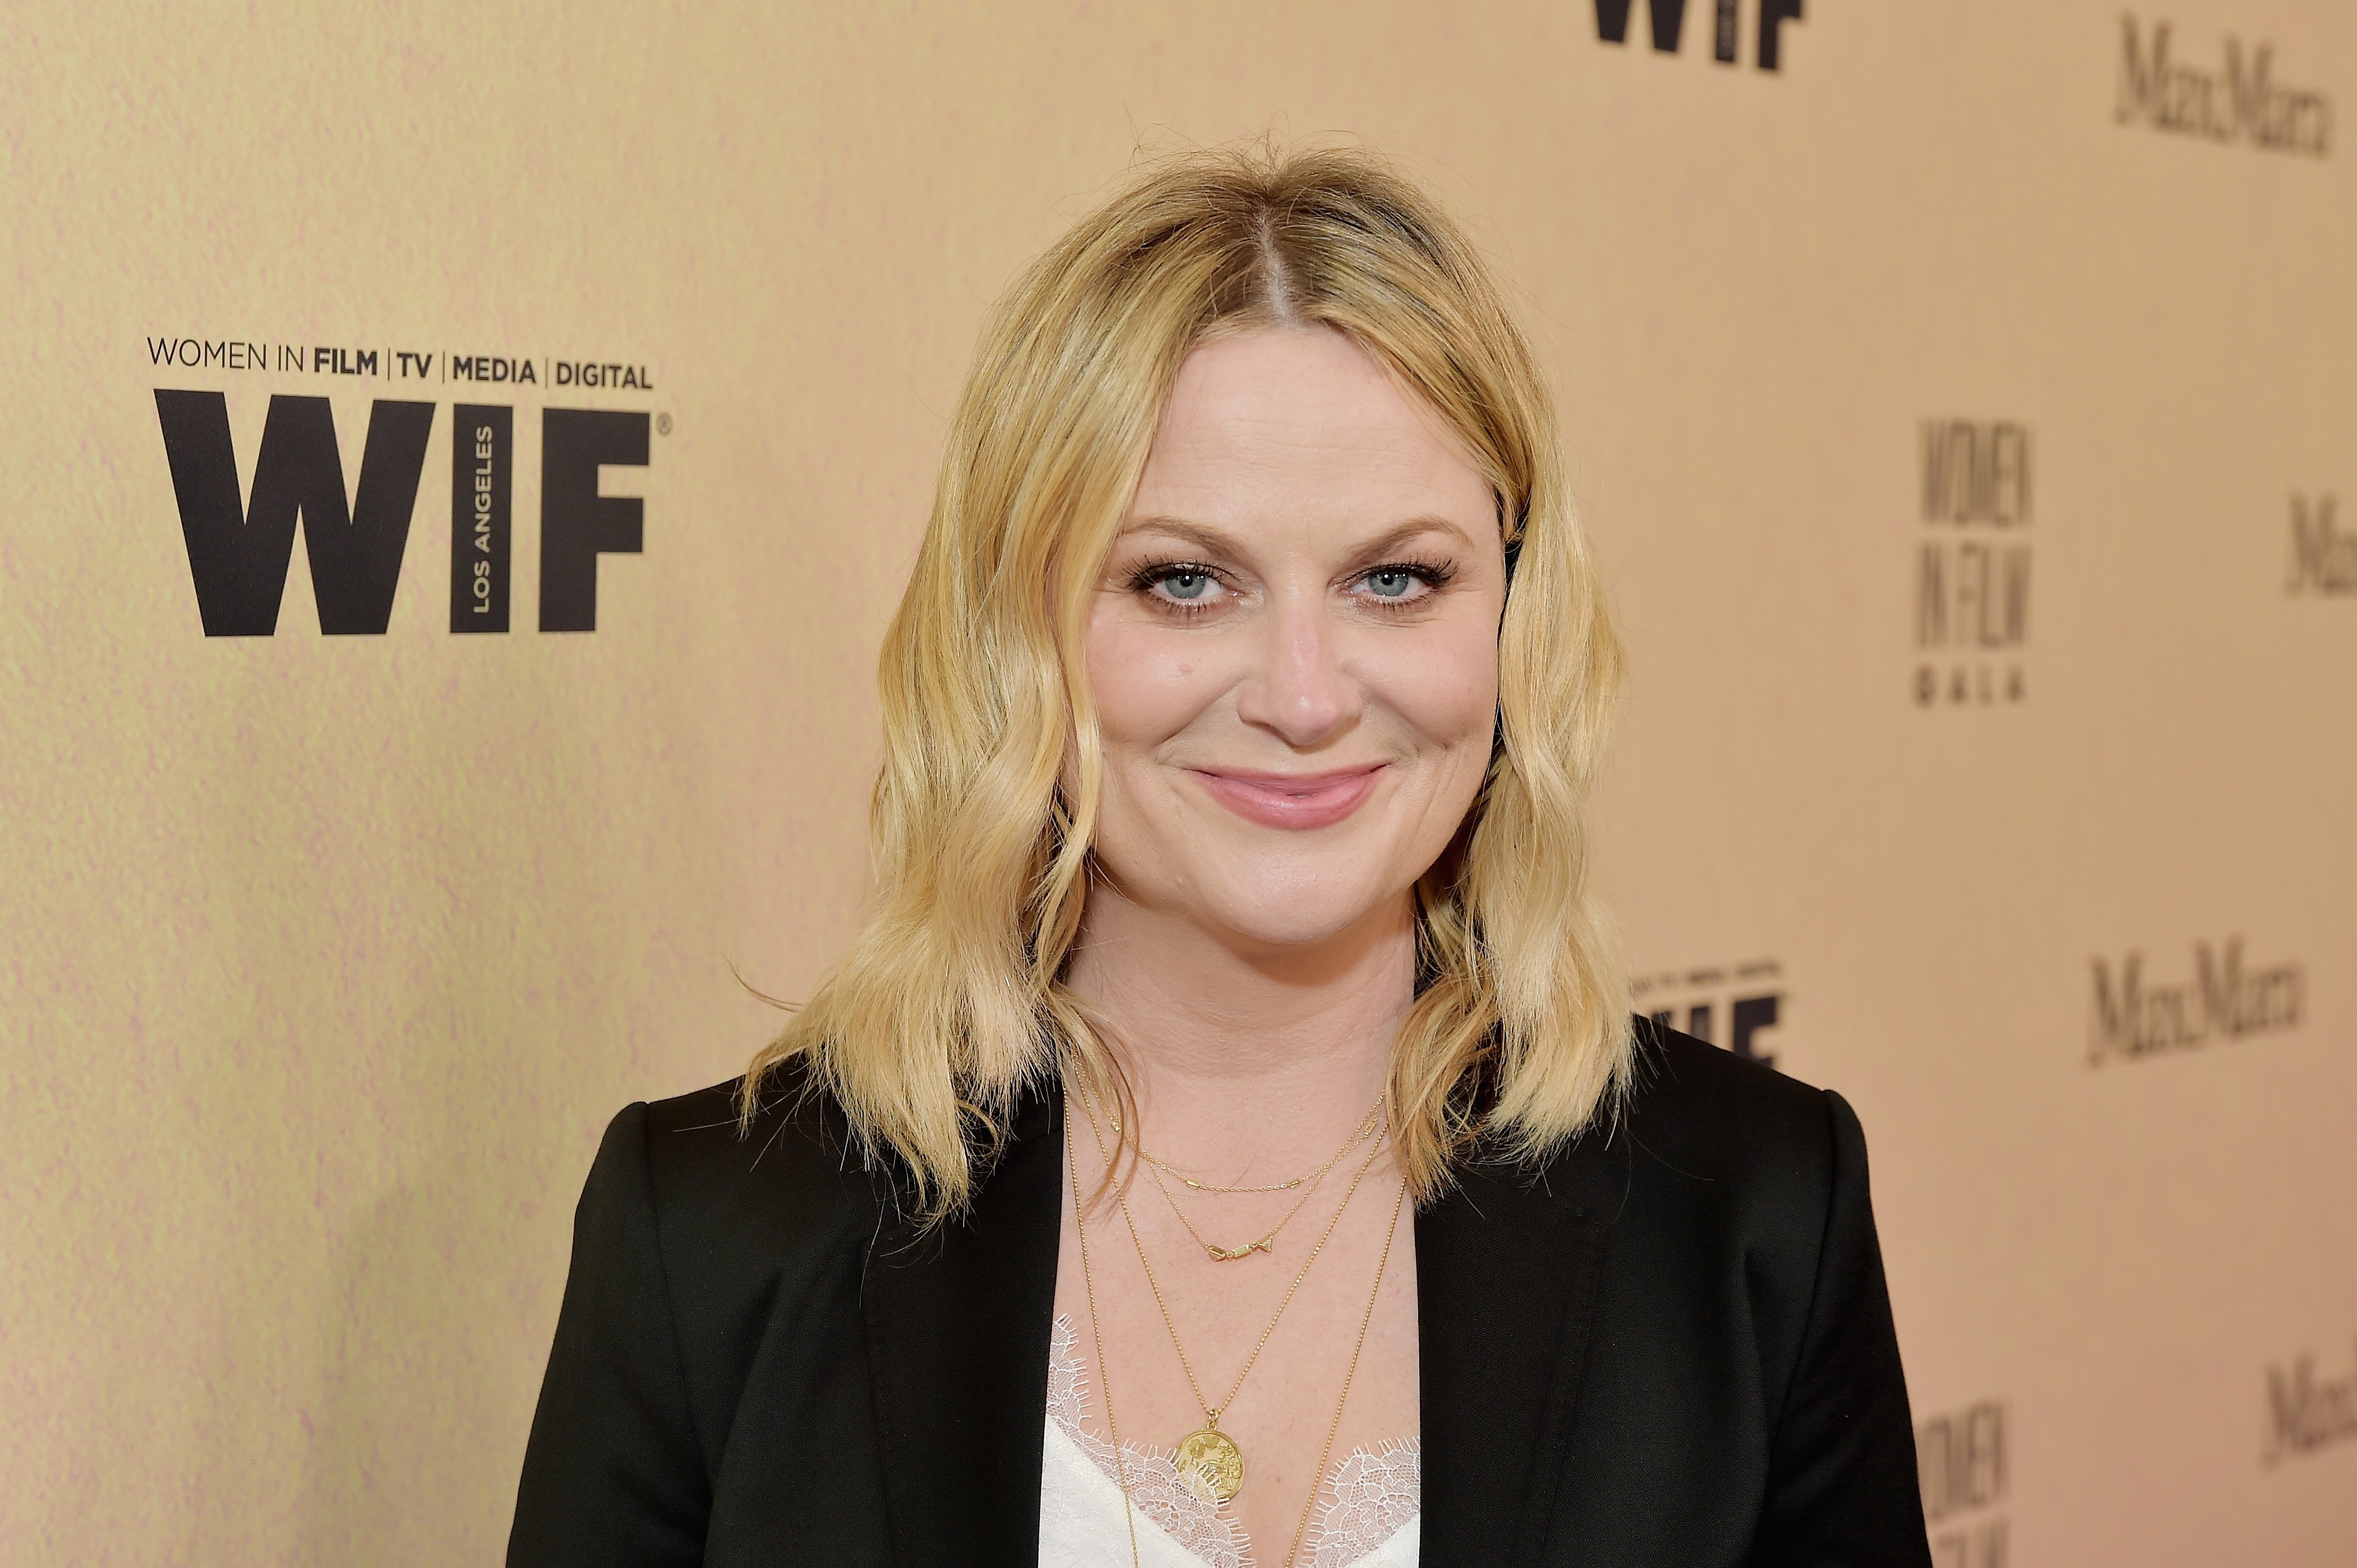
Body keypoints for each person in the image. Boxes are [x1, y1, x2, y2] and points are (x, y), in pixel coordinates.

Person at [508, 141, 1932, 1568]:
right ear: (1019, 632)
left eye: (1399, 579)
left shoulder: (1753, 1221)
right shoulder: (714, 1231)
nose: (1304, 697)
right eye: (1183, 582)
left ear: (1513, 619)